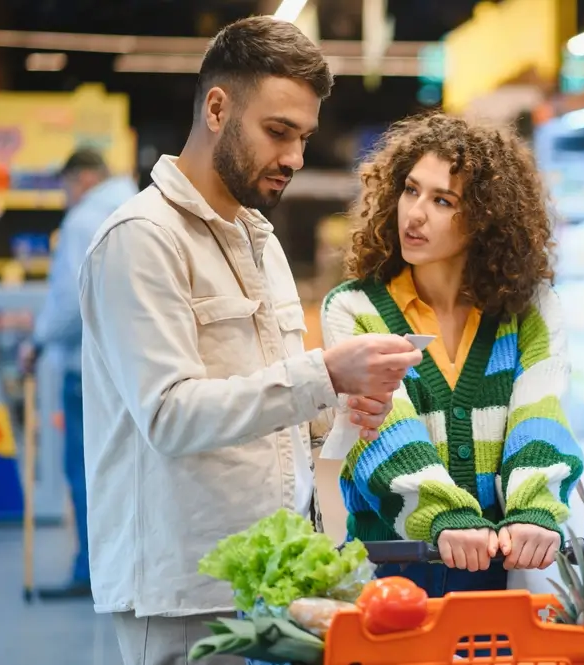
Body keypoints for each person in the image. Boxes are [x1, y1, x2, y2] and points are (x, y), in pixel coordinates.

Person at [78, 16, 422, 665]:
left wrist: (342, 408)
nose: (294, 156)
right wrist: (324, 374)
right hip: (186, 593)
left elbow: (270, 404)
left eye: (304, 136)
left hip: (274, 581)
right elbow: (169, 413)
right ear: (217, 108)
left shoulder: (257, 241)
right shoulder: (142, 240)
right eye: (278, 132)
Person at [321, 113, 584, 597]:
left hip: (502, 574)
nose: (414, 213)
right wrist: (445, 515)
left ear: (487, 218)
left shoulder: (531, 311)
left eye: (442, 200)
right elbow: (380, 429)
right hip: (390, 568)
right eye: (410, 190)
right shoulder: (355, 309)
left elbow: (539, 414)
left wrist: (535, 511)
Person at [20, 148, 138, 600]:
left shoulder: (82, 220)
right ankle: (121, 566)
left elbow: (72, 301)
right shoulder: (138, 207)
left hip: (85, 368)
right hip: (129, 367)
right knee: (122, 473)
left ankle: (91, 571)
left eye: (67, 184)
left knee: (85, 470)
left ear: (83, 178)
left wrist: (39, 341)